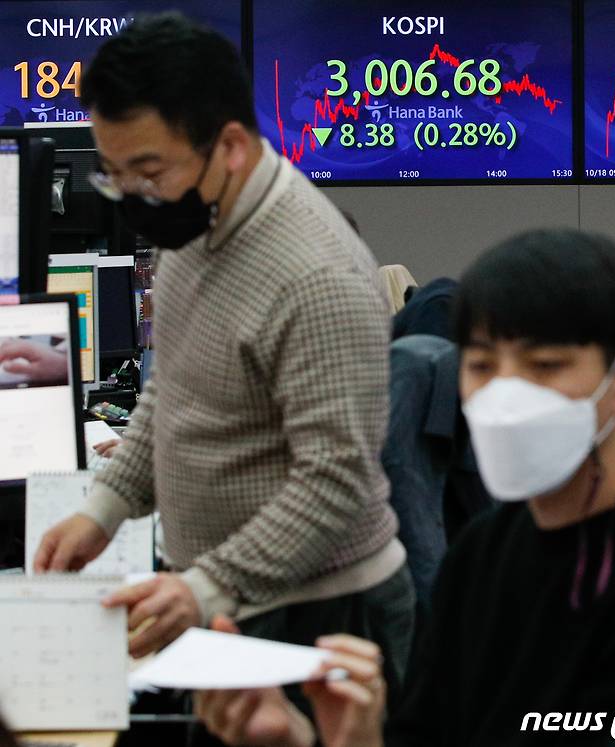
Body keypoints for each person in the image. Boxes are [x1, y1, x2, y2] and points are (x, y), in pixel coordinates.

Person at [33, 9, 414, 716]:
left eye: (148, 172)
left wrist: (204, 587)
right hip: (220, 596)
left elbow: (334, 480)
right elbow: (174, 389)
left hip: (318, 615)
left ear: (231, 145)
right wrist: (103, 509)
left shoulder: (315, 275)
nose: (133, 197)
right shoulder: (193, 222)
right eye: (115, 174)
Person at [196, 229, 615, 746]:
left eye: (544, 366)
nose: (505, 392)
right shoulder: (481, 555)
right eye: (481, 366)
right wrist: (310, 737)